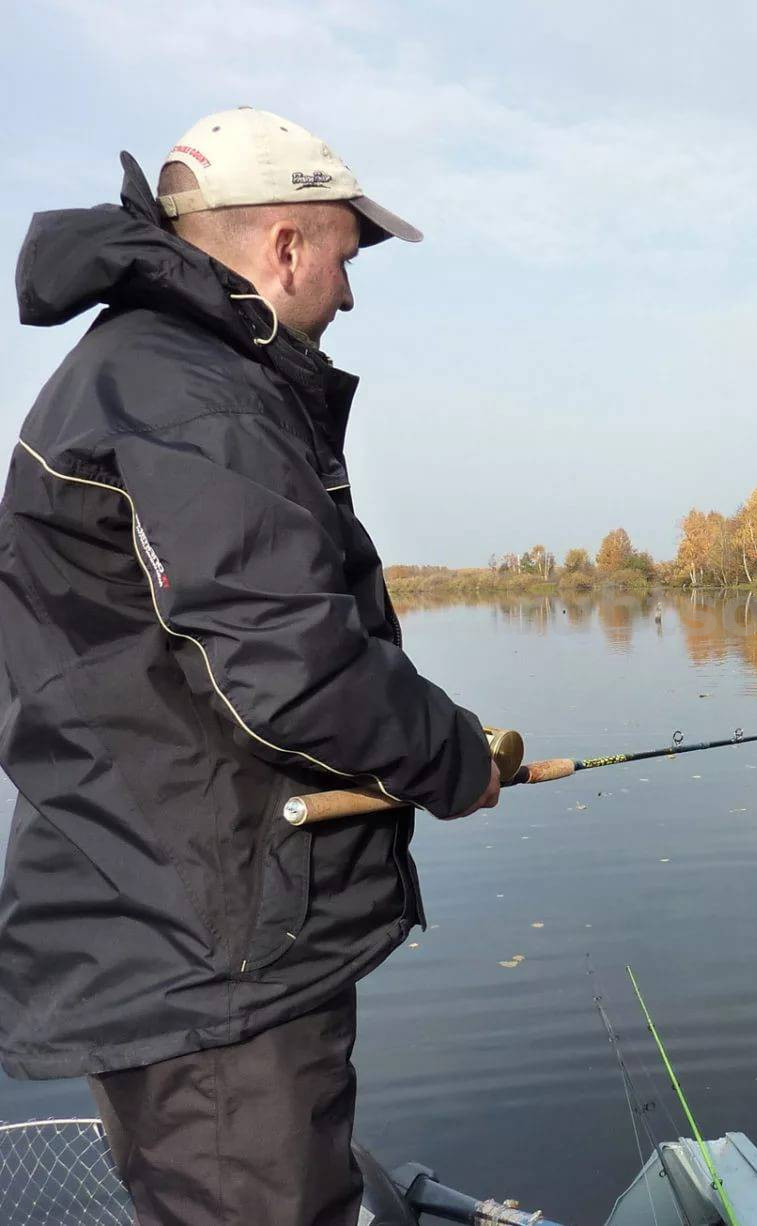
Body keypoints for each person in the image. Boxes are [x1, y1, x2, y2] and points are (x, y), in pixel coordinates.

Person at [0, 107, 500, 1225]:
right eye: (343, 256)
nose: (350, 293)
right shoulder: (194, 392)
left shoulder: (146, 372)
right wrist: (456, 758)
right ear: (283, 245)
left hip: (174, 925)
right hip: (210, 951)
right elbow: (293, 666)